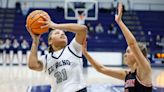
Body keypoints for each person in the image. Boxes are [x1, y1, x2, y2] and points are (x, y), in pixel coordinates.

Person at [82, 3, 152, 92]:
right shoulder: (127, 75)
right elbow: (101, 69)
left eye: (128, 52)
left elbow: (132, 44)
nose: (125, 55)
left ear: (138, 54)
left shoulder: (144, 69)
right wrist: (85, 53)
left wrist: (119, 22)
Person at [26, 14, 88, 92]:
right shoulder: (46, 58)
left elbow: (83, 29)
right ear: (50, 41)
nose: (62, 34)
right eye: (57, 33)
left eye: (63, 33)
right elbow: (32, 65)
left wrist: (55, 26)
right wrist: (35, 42)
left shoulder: (73, 48)